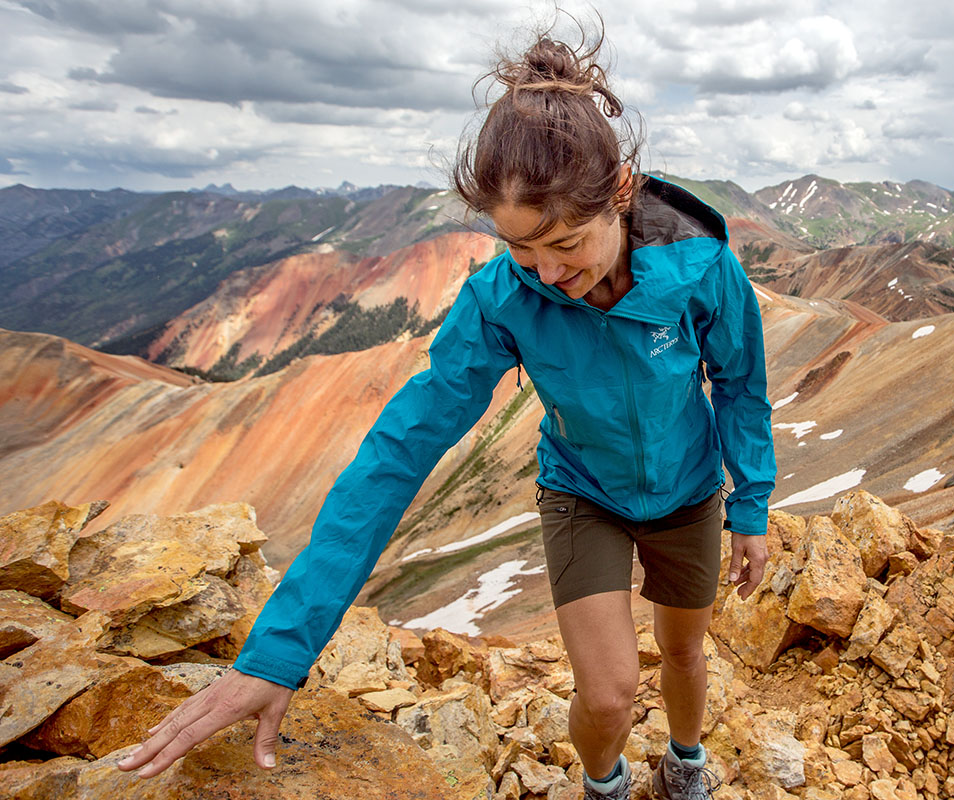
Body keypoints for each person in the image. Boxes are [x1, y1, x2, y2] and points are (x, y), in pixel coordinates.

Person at [118, 24, 774, 800]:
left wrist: (753, 503)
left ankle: (686, 761)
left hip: (690, 490)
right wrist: (275, 655)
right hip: (582, 494)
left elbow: (739, 383)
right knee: (606, 695)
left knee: (684, 654)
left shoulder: (702, 269)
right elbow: (395, 456)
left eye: (566, 242)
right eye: (521, 249)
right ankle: (605, 785)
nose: (549, 272)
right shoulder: (499, 300)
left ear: (620, 191)